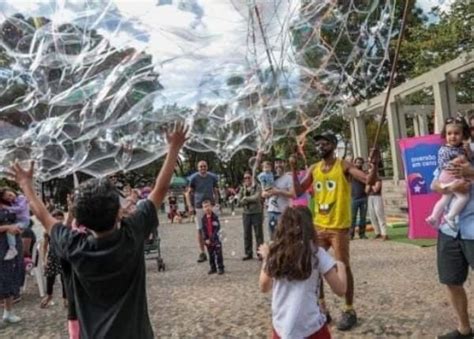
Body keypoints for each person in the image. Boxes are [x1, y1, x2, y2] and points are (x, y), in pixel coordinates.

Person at [6, 122, 188, 338]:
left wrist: (25, 183)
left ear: (81, 220)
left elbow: (44, 217)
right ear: (119, 213)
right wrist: (174, 147)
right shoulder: (132, 234)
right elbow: (160, 189)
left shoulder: (72, 245)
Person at [290, 132, 377, 331]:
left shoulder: (344, 165)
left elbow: (368, 180)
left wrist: (375, 165)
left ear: (333, 145)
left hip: (339, 227)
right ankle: (321, 308)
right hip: (319, 226)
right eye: (318, 144)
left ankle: (349, 310)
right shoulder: (314, 168)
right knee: (314, 267)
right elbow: (298, 192)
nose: (320, 146)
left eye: (324, 143)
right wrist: (294, 169)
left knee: (342, 267)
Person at [258, 206, 347, 339]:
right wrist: (341, 266)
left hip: (281, 328)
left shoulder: (276, 253)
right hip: (311, 329)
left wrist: (267, 258)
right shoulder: (317, 253)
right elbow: (340, 290)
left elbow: (264, 286)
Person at [432, 157, 474, 339]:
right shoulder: (451, 155)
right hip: (449, 229)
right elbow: (434, 184)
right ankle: (464, 329)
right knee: (451, 280)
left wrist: (470, 172)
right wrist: (449, 188)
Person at [426, 117, 471, 230]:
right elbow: (442, 167)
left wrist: (468, 151)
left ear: (463, 134)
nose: (453, 136)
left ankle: (434, 217)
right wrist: (450, 185)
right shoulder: (444, 149)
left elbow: (469, 158)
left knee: (445, 199)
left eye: (457, 133)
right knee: (463, 197)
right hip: (449, 175)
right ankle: (450, 216)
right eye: (449, 134)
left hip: (449, 177)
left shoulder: (463, 148)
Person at [186, 160, 219, 263]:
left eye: (204, 166)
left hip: (211, 205)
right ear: (198, 168)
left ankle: (215, 249)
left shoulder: (212, 177)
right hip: (199, 206)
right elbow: (188, 193)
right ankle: (202, 252)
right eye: (201, 167)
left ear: (207, 167)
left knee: (214, 228)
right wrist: (190, 206)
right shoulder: (194, 178)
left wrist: (217, 203)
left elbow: (216, 191)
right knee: (200, 229)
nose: (203, 168)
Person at [0, 201, 23, 328]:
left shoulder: (8, 207)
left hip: (10, 248)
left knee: (9, 278)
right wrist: (7, 228)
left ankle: (8, 312)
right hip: (2, 248)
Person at [40, 210, 67, 309]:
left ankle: (66, 298)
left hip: (63, 256)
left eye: (61, 218)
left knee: (64, 277)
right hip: (52, 256)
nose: (59, 220)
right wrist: (44, 259)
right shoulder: (49, 231)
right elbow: (44, 246)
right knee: (50, 277)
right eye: (56, 218)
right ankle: (49, 295)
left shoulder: (65, 229)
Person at [262, 157, 294, 239]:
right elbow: (263, 192)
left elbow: (292, 194)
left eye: (281, 162)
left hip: (283, 213)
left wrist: (278, 191)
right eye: (276, 163)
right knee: (272, 238)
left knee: (284, 237)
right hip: (270, 212)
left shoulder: (289, 178)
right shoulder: (270, 177)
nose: (278, 165)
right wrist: (264, 194)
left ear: (285, 164)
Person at [238, 171, 264, 261]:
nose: (247, 179)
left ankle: (260, 253)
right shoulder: (243, 188)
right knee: (247, 234)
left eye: (249, 177)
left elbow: (256, 198)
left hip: (257, 212)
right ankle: (248, 253)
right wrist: (246, 199)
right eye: (245, 178)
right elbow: (239, 201)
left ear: (252, 178)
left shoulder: (258, 186)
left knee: (258, 234)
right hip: (246, 214)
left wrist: (245, 199)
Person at [0, 188, 30, 260]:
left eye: (10, 195)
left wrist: (7, 208)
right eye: (7, 198)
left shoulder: (20, 198)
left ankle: (12, 249)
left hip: (20, 225)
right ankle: (12, 249)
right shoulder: (11, 203)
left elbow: (21, 208)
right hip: (3, 244)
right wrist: (8, 227)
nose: (10, 198)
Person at [201, 200, 225, 275]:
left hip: (216, 239)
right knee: (210, 255)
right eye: (205, 207)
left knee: (218, 254)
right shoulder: (203, 219)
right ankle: (213, 267)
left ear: (211, 207)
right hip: (208, 240)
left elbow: (217, 228)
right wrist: (206, 239)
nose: (207, 208)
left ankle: (220, 267)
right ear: (203, 209)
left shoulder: (215, 217)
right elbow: (203, 230)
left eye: (208, 206)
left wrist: (212, 238)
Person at [366, 167, 389, 241]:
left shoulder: (378, 179)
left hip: (377, 197)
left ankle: (384, 234)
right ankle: (377, 232)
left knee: (379, 215)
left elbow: (376, 189)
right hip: (370, 197)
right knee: (372, 216)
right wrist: (369, 183)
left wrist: (371, 183)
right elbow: (366, 191)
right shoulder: (368, 181)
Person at [350, 158, 368, 240]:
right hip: (353, 198)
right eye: (357, 162)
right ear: (354, 163)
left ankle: (362, 234)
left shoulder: (364, 173)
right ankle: (351, 234)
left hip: (363, 198)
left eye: (360, 162)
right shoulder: (351, 173)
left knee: (363, 217)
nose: (359, 164)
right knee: (352, 217)